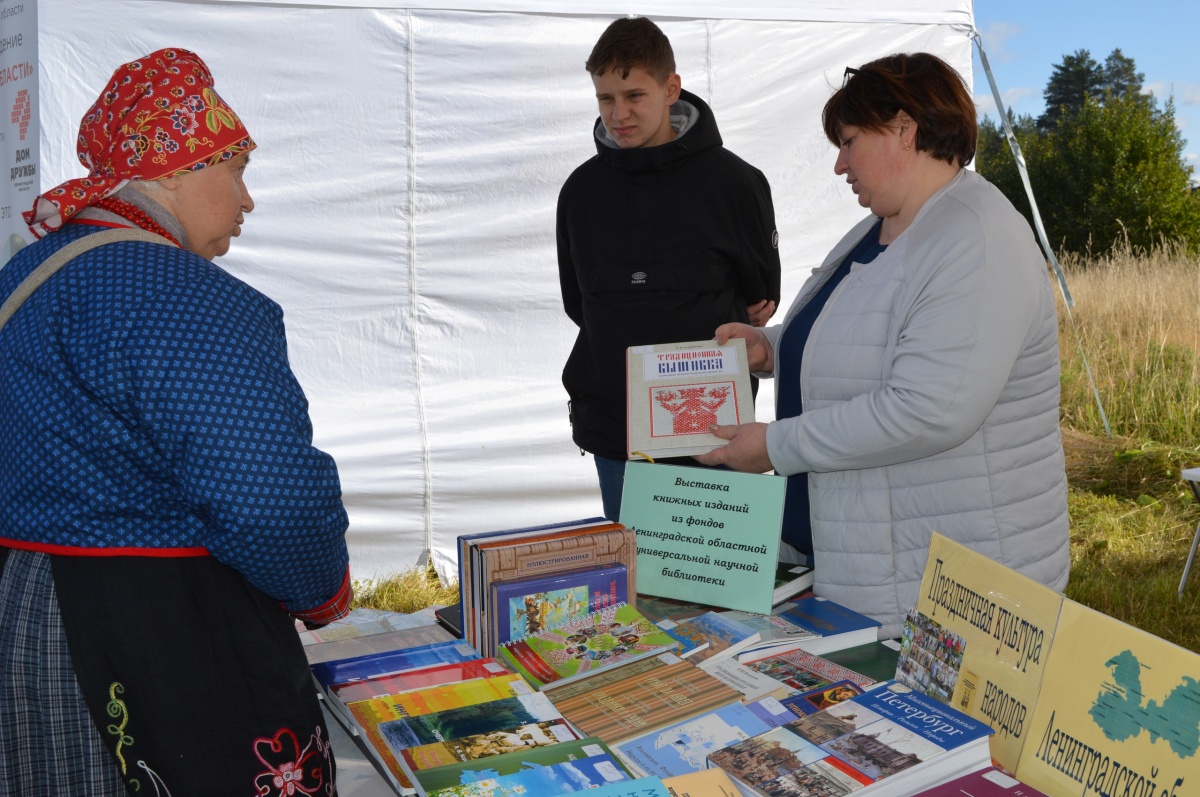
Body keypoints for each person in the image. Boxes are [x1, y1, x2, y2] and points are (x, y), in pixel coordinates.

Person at [0, 49, 351, 795]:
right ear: (170, 168)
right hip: (153, 624)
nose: (247, 201)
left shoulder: (23, 279)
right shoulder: (193, 303)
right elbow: (271, 500)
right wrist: (321, 588)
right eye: (238, 169)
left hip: (24, 609)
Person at [695, 53, 1069, 638]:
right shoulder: (886, 226)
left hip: (953, 588)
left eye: (847, 142)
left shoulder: (976, 236)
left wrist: (775, 445)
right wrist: (772, 348)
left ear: (903, 128)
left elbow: (928, 410)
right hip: (873, 559)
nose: (840, 165)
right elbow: (867, 338)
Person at [557, 16, 782, 521]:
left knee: (720, 591)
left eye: (634, 96)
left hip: (714, 435)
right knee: (635, 591)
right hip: (616, 432)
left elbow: (761, 301)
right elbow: (580, 304)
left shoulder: (736, 183)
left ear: (671, 88)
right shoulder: (579, 192)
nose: (619, 114)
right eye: (605, 99)